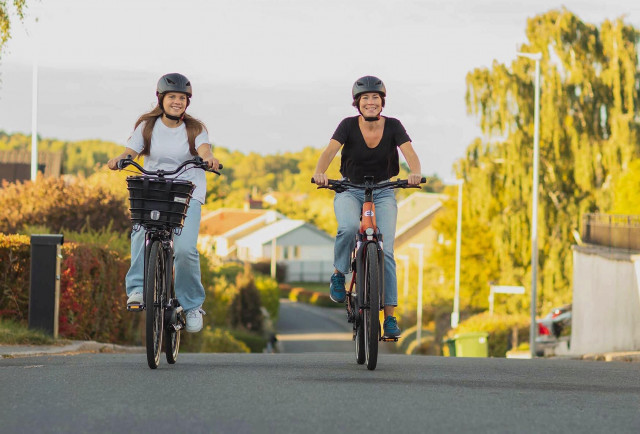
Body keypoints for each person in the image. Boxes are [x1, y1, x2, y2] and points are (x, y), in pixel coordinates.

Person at [108, 73, 219, 333]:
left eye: (182, 98)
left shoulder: (195, 129)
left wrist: (209, 158)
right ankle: (137, 290)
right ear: (161, 99)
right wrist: (120, 159)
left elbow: (204, 149)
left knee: (185, 249)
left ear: (187, 102)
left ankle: (191, 305)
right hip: (154, 189)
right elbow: (131, 150)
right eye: (172, 97)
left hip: (186, 192)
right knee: (140, 233)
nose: (177, 102)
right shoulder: (147, 127)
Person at [312, 75, 422, 338]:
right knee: (349, 227)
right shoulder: (348, 126)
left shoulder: (394, 126)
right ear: (357, 103)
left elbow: (410, 153)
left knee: (387, 252)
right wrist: (320, 172)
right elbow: (330, 151)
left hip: (383, 191)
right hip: (351, 189)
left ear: (382, 102)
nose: (370, 102)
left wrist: (415, 172)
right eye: (365, 98)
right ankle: (340, 273)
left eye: (375, 97)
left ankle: (390, 318)